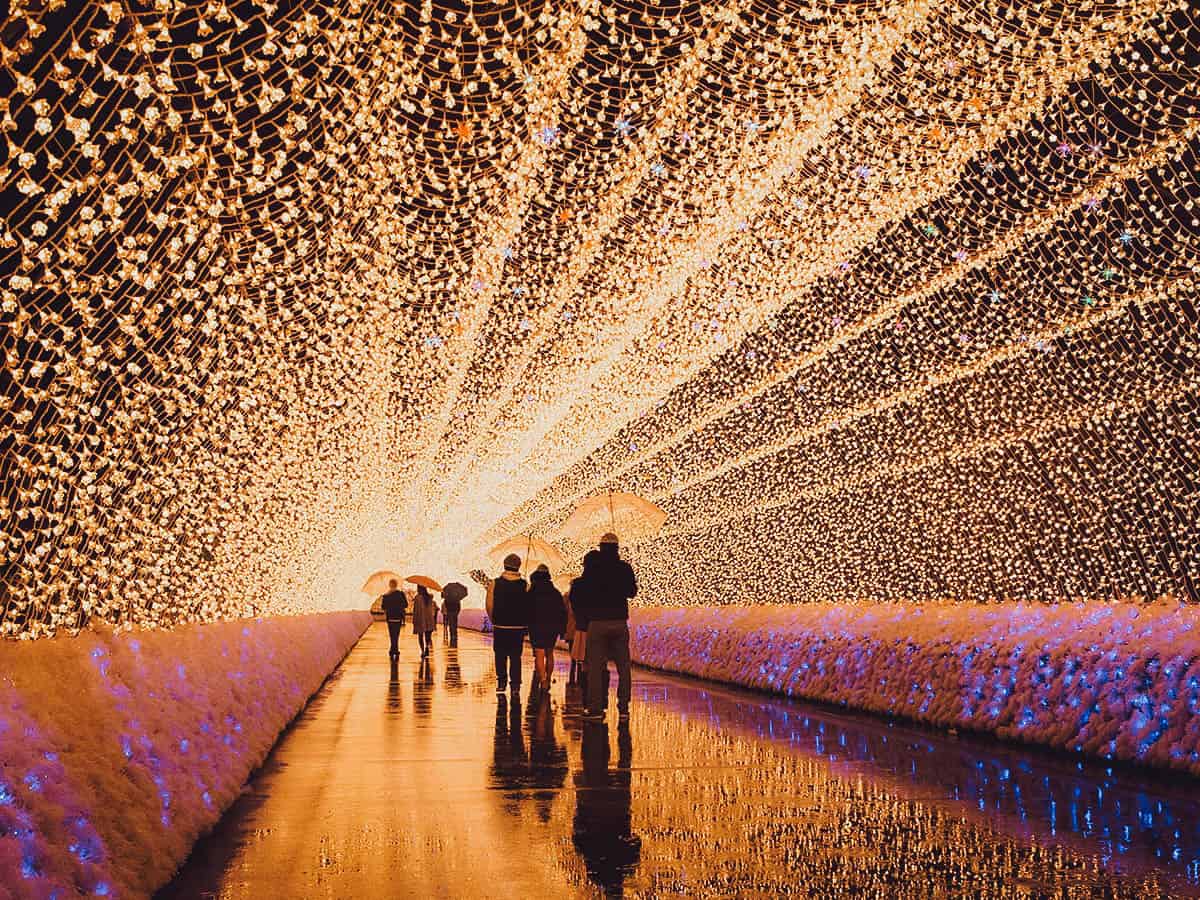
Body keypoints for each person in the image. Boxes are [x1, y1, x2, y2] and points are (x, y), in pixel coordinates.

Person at [583, 533, 636, 722]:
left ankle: (595, 709)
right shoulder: (624, 568)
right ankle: (623, 709)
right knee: (624, 667)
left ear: (600, 547)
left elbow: (585, 592)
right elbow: (632, 592)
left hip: (597, 622)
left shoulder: (592, 569)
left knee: (596, 668)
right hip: (619, 622)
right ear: (617, 548)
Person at [486, 553, 529, 697]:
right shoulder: (525, 585)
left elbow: (489, 605)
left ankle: (501, 682)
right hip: (518, 627)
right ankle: (515, 685)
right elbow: (528, 606)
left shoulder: (495, 583)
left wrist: (494, 620)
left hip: (500, 626)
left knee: (500, 655)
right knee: (516, 656)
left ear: (504, 565)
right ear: (518, 567)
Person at [527, 564, 567, 698]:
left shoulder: (532, 592)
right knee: (549, 653)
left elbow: (526, 610)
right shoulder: (555, 592)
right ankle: (548, 677)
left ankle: (543, 680)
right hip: (552, 626)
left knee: (539, 653)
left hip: (536, 625)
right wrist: (561, 629)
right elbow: (562, 612)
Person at [568, 552, 599, 691]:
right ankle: (597, 696)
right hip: (598, 626)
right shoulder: (603, 585)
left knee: (583, 661)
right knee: (597, 662)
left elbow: (573, 603)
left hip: (582, 627)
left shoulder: (578, 584)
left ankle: (585, 694)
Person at [381, 580, 408, 658]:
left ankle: (393, 649)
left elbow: (383, 607)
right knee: (396, 634)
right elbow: (405, 605)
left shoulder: (386, 595)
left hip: (390, 618)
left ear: (389, 585)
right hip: (398, 617)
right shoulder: (401, 594)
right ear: (396, 585)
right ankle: (395, 649)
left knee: (392, 634)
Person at [412, 585, 438, 658]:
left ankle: (422, 651)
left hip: (420, 619)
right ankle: (427, 647)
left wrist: (414, 620)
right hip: (429, 619)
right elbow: (433, 609)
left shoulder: (417, 597)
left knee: (420, 636)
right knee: (428, 636)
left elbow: (415, 610)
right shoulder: (430, 597)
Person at [441, 581, 467, 647]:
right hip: (455, 611)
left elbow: (446, 605)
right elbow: (459, 607)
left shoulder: (447, 599)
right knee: (455, 623)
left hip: (450, 611)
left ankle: (452, 635)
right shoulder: (457, 599)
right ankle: (455, 635)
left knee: (451, 623)